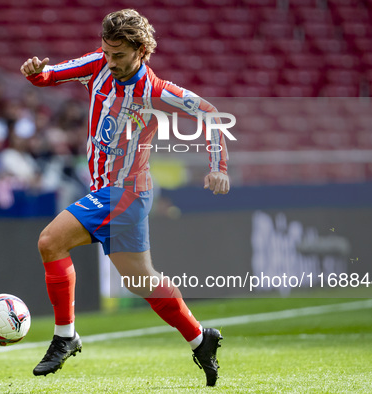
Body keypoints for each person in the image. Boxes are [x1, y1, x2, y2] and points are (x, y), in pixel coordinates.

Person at [20, 9, 230, 387]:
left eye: (119, 55)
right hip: (112, 192)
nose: (110, 61)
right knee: (142, 281)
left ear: (141, 50)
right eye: (107, 52)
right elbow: (51, 76)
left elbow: (211, 114)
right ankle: (201, 339)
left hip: (126, 193)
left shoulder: (154, 91)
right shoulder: (97, 65)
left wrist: (217, 166)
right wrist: (37, 73)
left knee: (50, 242)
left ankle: (65, 336)